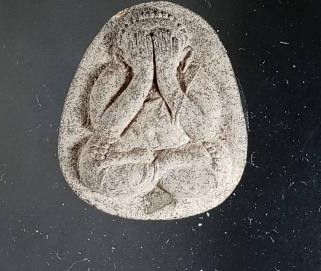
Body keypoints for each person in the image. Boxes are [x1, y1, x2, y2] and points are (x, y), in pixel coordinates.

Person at [78, 17, 231, 212]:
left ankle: (157, 172)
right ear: (121, 55)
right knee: (91, 172)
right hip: (125, 155)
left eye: (165, 43)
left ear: (185, 55)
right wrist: (142, 76)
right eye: (141, 43)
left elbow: (204, 131)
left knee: (219, 172)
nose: (154, 51)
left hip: (180, 157)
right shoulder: (115, 74)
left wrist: (167, 77)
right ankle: (155, 174)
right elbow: (105, 130)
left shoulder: (192, 76)